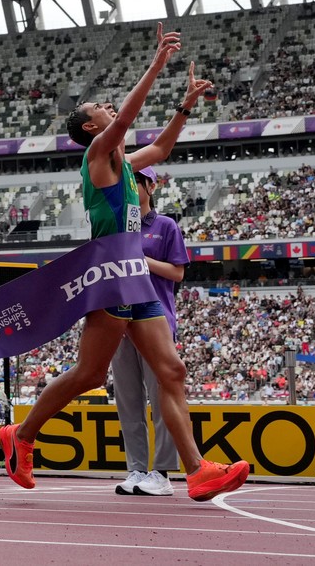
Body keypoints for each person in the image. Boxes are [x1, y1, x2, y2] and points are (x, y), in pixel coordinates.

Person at [0, 23, 249, 502]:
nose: (111, 110)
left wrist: (185, 106)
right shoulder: (98, 155)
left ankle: (197, 472)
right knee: (90, 375)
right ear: (92, 127)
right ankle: (22, 435)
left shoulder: (128, 166)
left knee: (171, 372)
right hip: (109, 275)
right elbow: (128, 121)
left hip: (135, 276)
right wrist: (157, 65)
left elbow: (163, 148)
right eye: (102, 110)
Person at [111, 165, 187, 496]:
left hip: (156, 324)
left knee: (162, 398)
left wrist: (139, 259)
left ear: (150, 186)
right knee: (128, 402)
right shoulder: (115, 228)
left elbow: (177, 273)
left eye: (134, 182)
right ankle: (136, 469)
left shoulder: (165, 226)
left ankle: (163, 473)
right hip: (119, 325)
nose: (129, 187)